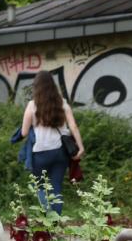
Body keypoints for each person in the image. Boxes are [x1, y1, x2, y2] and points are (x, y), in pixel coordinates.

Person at [20, 72, 85, 214]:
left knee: (40, 187)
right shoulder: (63, 103)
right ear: (52, 85)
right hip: (60, 152)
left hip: (40, 153)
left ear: (36, 87)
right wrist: (80, 147)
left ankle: (48, 220)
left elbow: (24, 132)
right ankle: (56, 222)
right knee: (56, 187)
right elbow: (73, 126)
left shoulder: (32, 105)